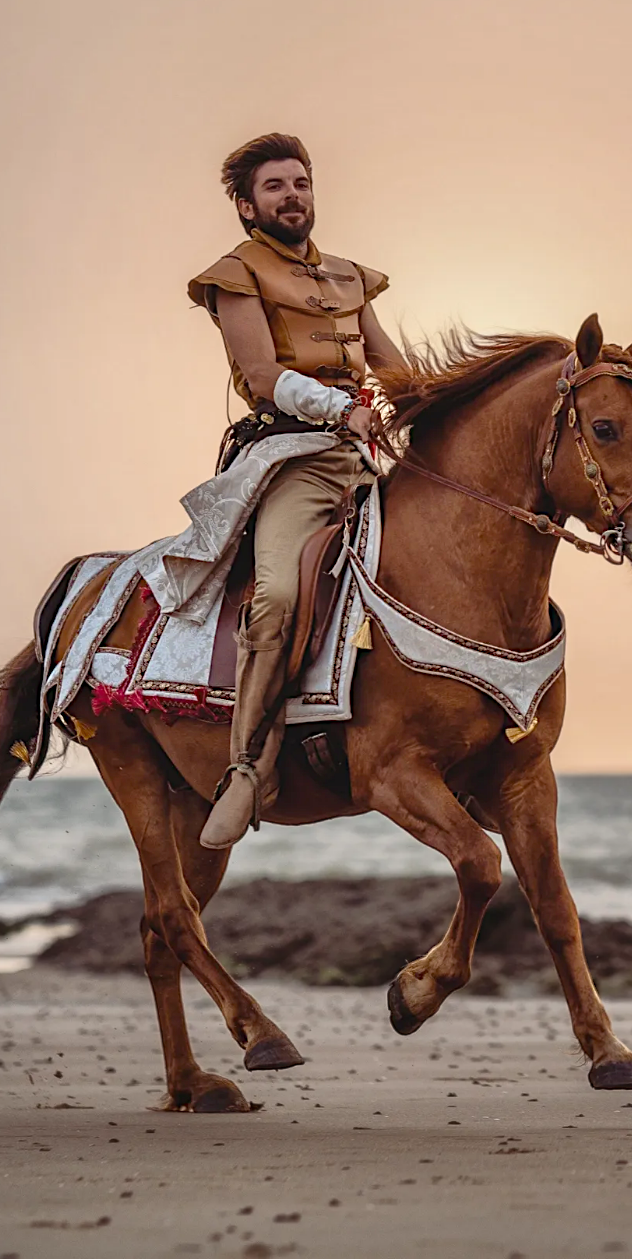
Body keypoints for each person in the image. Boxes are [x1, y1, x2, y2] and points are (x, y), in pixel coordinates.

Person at [186, 132, 407, 850]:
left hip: (367, 455)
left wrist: (438, 408)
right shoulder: (235, 275)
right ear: (249, 207)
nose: (293, 196)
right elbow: (260, 375)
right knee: (278, 594)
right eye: (275, 187)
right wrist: (342, 409)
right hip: (294, 457)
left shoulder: (351, 277)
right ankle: (248, 767)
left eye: (301, 183)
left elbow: (394, 368)